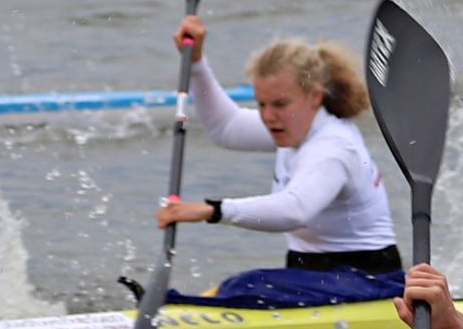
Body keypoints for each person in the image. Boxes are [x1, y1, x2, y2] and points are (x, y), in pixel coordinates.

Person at [148, 22, 403, 306]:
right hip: (315, 276)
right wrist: (196, 64)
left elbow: (294, 210)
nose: (268, 117)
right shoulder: (295, 124)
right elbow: (226, 128)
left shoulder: (333, 148)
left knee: (246, 284)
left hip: (368, 280)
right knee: (241, 286)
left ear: (315, 96)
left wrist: (212, 210)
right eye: (262, 105)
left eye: (280, 104)